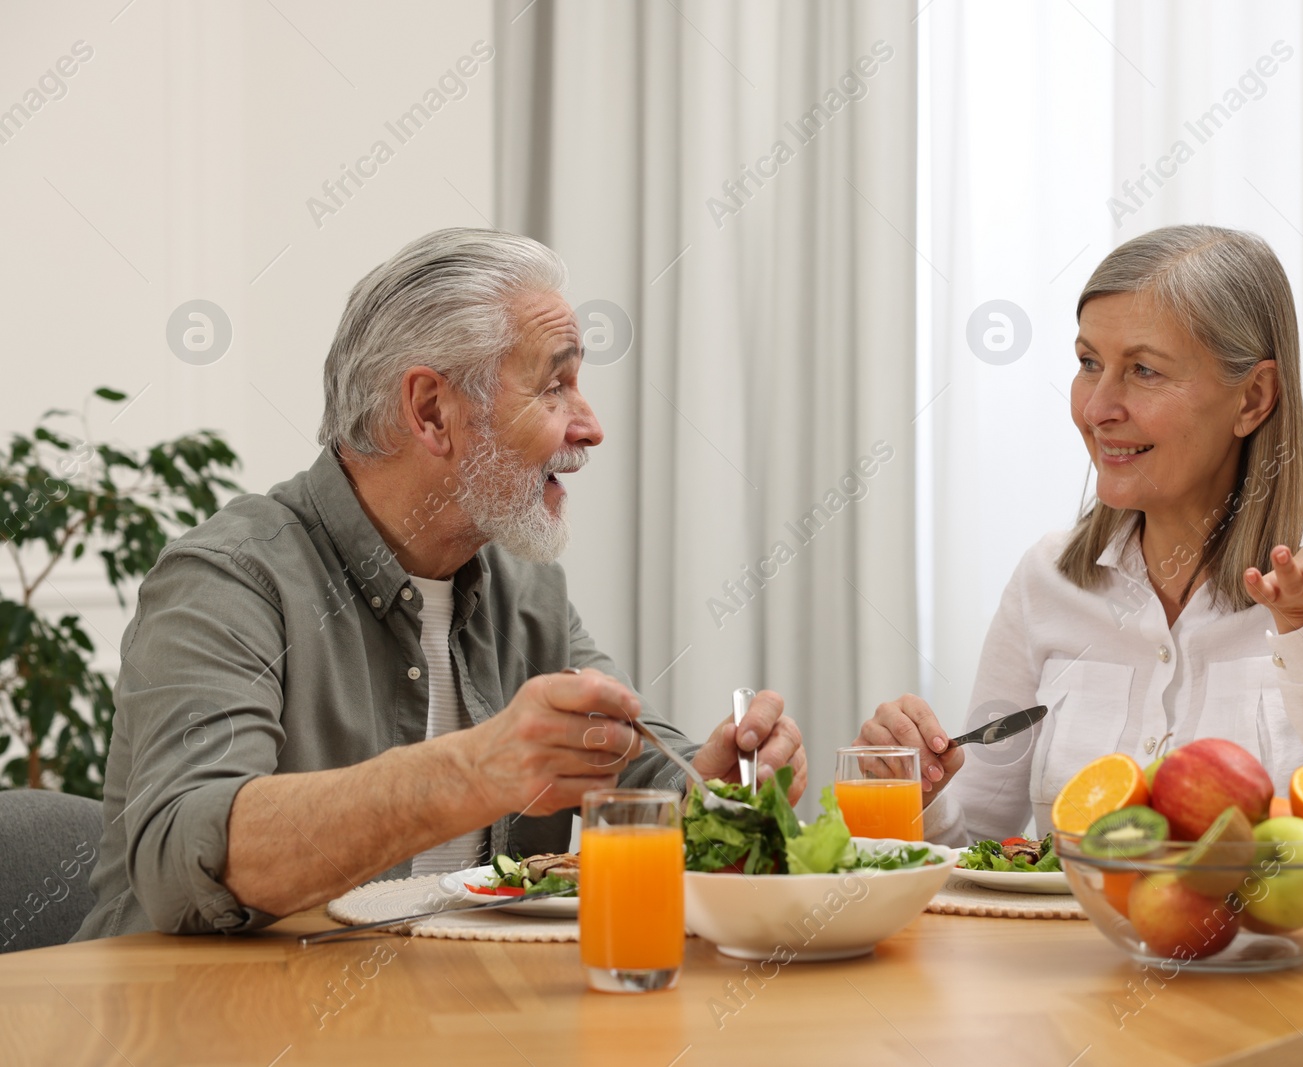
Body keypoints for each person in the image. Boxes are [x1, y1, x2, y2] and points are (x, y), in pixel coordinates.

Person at [75, 229, 807, 938]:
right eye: (555, 385)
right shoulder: (230, 578)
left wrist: (707, 786)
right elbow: (182, 853)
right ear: (431, 411)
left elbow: (633, 759)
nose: (590, 426)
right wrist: (471, 772)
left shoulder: (526, 592)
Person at [856, 224, 1303, 881]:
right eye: (1089, 362)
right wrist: (921, 793)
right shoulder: (1047, 578)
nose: (1096, 407)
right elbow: (981, 838)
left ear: (1253, 398)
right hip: (1078, 982)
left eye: (1144, 370)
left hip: (1290, 976)